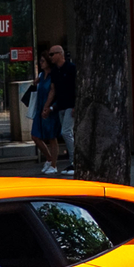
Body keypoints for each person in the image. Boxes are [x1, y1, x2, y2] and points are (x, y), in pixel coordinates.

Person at [45, 42, 77, 172]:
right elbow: (53, 90)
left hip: (70, 105)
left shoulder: (71, 68)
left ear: (60, 54)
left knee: (66, 132)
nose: (50, 57)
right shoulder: (55, 71)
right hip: (61, 106)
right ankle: (73, 161)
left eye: (52, 54)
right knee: (66, 132)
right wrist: (47, 106)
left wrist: (76, 105)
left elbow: (77, 87)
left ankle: (74, 161)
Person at [28, 50, 62, 173]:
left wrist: (47, 106)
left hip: (49, 108)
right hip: (40, 107)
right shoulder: (42, 76)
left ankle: (54, 164)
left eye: (42, 61)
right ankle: (48, 158)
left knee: (51, 137)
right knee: (35, 135)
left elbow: (53, 91)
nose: (41, 63)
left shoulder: (53, 75)